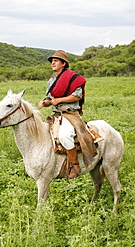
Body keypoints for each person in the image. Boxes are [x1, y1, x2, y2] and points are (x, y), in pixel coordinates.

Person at [38, 50, 103, 179]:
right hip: (56, 114)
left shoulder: (72, 77)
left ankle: (75, 165)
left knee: (64, 136)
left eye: (56, 61)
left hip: (70, 114)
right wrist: (46, 102)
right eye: (52, 61)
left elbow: (77, 95)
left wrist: (60, 100)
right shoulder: (51, 81)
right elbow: (50, 97)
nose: (53, 63)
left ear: (63, 63)